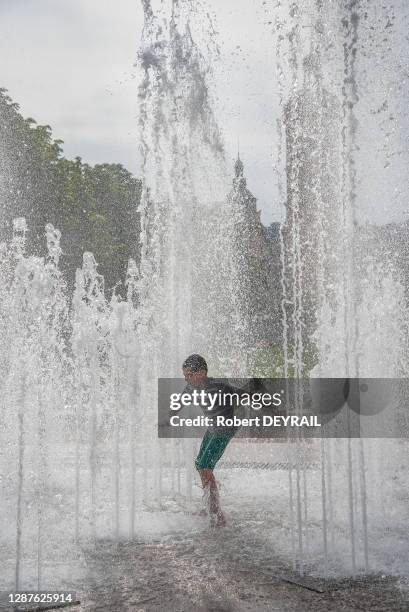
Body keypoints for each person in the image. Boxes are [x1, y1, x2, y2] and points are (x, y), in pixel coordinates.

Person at [182, 354, 239, 527]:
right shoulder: (191, 387)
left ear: (202, 373)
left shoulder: (219, 386)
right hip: (213, 427)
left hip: (225, 428)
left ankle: (217, 512)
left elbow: (245, 395)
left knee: (205, 466)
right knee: (200, 463)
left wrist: (274, 410)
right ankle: (209, 505)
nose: (187, 379)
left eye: (189, 375)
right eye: (185, 376)